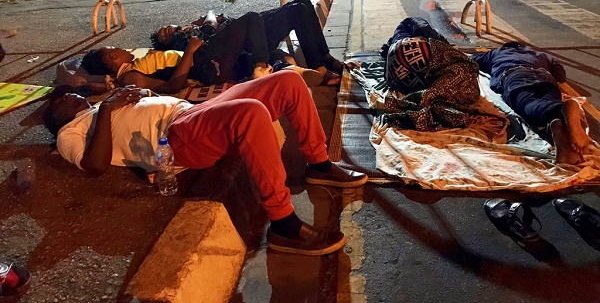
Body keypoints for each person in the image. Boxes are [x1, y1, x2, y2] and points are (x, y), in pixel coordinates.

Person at [43, 70, 369, 255]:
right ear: (58, 117)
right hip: (173, 139)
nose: (69, 95)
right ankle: (284, 225)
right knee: (251, 114)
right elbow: (95, 165)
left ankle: (320, 164)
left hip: (188, 112)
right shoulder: (69, 133)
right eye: (62, 99)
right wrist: (110, 108)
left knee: (288, 81)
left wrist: (138, 96)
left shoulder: (101, 107)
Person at [151, 0, 344, 86]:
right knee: (252, 17)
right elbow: (211, 24)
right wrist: (209, 18)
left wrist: (210, 19)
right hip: (238, 48)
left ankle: (324, 58)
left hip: (248, 33)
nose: (166, 31)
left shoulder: (188, 26)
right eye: (163, 36)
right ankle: (260, 67)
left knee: (301, 7)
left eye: (166, 27)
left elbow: (217, 17)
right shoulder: (181, 43)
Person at [82, 11, 275, 94]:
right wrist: (190, 50)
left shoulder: (131, 69)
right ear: (112, 57)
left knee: (262, 47)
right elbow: (173, 86)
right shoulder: (130, 78)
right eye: (115, 49)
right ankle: (260, 68)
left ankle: (269, 67)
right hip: (200, 63)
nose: (121, 48)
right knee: (251, 19)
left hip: (202, 62)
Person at [471, 42, 592, 164]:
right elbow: (561, 76)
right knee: (546, 102)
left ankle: (560, 109)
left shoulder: (497, 53)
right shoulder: (542, 55)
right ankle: (555, 129)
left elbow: (470, 62)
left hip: (515, 75)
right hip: (545, 77)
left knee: (529, 106)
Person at [378, 17, 485, 132]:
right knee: (413, 28)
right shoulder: (455, 78)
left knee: (411, 23)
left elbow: (427, 99)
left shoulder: (455, 67)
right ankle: (392, 50)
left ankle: (393, 49)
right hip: (396, 72)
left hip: (399, 61)